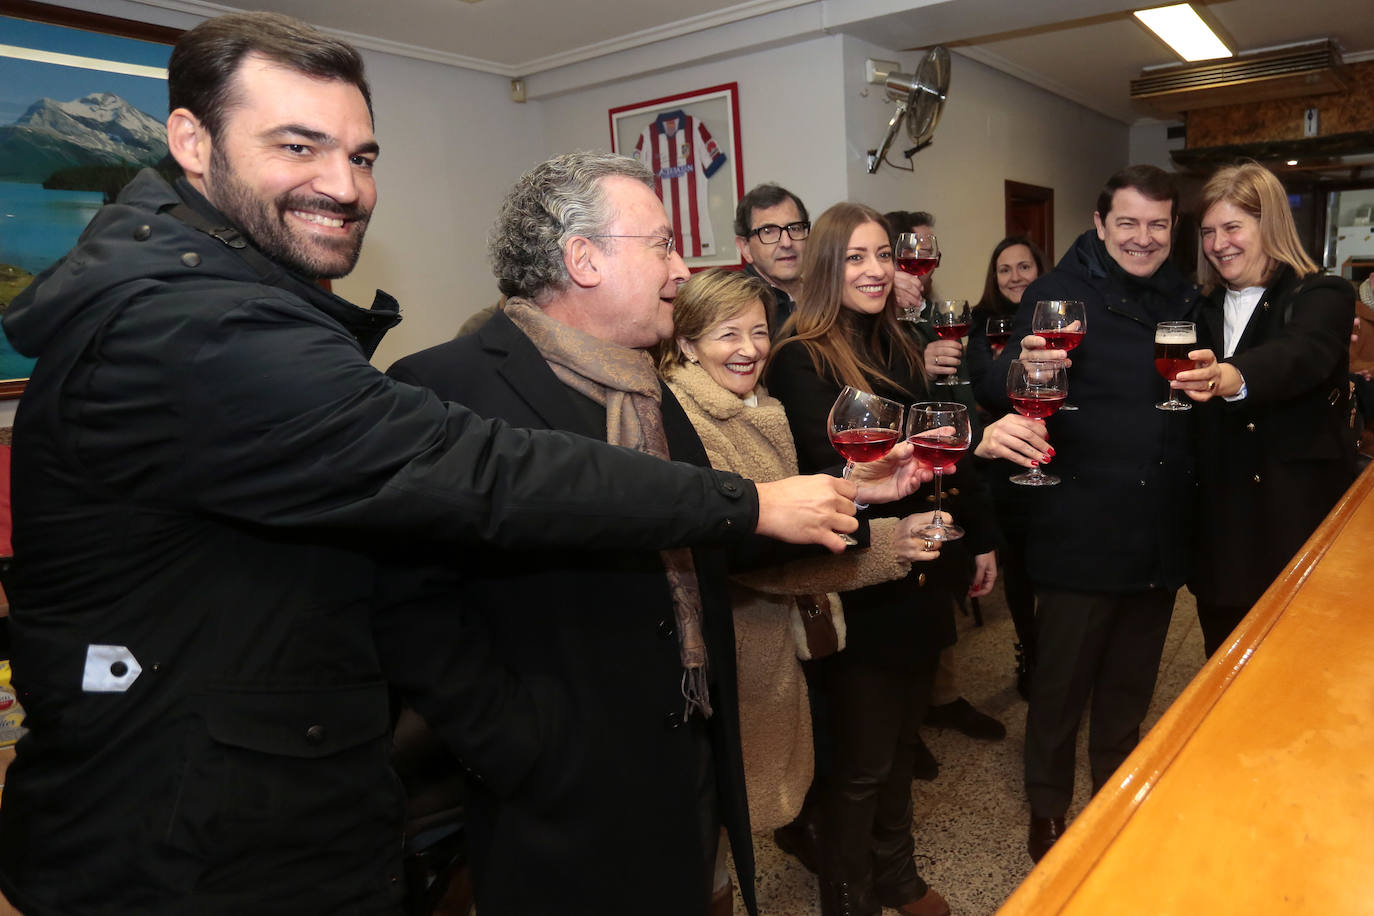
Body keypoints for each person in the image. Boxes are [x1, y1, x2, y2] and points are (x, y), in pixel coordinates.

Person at [0, 15, 860, 915]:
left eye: (362, 156)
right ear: (192, 142)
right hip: (185, 849)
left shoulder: (231, 302)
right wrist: (746, 504)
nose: (343, 185)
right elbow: (469, 473)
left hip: (263, 812)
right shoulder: (187, 326)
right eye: (298, 145)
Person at [378, 154, 927, 916]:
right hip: (554, 779)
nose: (681, 268)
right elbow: (410, 603)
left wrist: (848, 492)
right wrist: (511, 744)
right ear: (583, 258)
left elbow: (715, 536)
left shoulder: (645, 390)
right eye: (662, 244)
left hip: (683, 748)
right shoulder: (445, 386)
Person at [659, 267, 945, 911]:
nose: (749, 348)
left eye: (759, 331)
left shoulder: (762, 408)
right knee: (710, 821)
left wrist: (862, 487)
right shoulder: (692, 423)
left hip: (780, 637)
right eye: (725, 334)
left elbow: (786, 515)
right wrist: (888, 542)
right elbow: (750, 555)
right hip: (730, 645)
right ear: (685, 343)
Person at [767, 202, 1001, 916]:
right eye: (855, 258)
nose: (874, 271)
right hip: (858, 574)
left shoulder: (898, 342)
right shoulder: (798, 355)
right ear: (824, 269)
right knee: (860, 760)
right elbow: (823, 466)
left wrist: (977, 536)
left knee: (902, 744)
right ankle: (850, 893)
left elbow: (940, 453)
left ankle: (896, 874)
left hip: (919, 566)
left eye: (882, 256)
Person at [977, 164, 1199, 864]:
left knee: (1130, 688)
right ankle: (1047, 809)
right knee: (1060, 689)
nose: (1143, 237)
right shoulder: (1056, 293)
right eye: (1127, 223)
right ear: (1100, 225)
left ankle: (1115, 799)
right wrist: (1020, 369)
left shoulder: (1185, 291)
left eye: (1157, 225)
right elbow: (998, 377)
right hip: (1080, 525)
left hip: (1157, 529)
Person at [1172, 162, 1356, 656]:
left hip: (1292, 526)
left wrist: (1230, 375)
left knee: (1299, 670)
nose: (1218, 243)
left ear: (1268, 224)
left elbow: (1301, 354)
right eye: (1209, 231)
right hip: (1220, 537)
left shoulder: (1323, 293)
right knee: (1223, 664)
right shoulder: (1197, 306)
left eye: (1233, 227)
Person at [882, 210, 1006, 756]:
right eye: (908, 252)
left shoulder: (936, 317)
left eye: (929, 251)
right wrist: (918, 363)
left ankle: (938, 701)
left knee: (939, 602)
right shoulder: (866, 328)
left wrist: (981, 535)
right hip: (889, 493)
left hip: (949, 479)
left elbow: (958, 411)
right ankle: (903, 732)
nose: (921, 264)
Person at [967, 236, 1048, 699]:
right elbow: (985, 388)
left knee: (1052, 563)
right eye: (1005, 269)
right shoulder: (982, 324)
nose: (1015, 277)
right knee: (1018, 566)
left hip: (1054, 456)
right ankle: (1029, 650)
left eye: (1025, 266)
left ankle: (1056, 652)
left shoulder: (1059, 319)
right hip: (1002, 463)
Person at [734, 183, 810, 333]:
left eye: (795, 229)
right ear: (745, 247)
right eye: (768, 232)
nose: (786, 243)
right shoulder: (736, 306)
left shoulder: (825, 294)